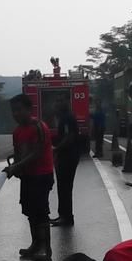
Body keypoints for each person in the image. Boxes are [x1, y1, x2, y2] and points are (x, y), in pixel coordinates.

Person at [4, 94, 54, 261]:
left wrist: (17, 166)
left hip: (41, 176)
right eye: (13, 111)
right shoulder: (17, 132)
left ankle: (45, 248)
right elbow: (19, 154)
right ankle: (35, 245)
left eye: (19, 110)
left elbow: (37, 153)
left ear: (29, 109)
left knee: (40, 212)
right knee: (30, 212)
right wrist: (15, 167)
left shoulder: (39, 127)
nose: (16, 114)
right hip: (28, 177)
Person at [51, 94, 80, 227]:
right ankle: (63, 215)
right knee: (62, 187)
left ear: (67, 102)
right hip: (64, 156)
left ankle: (67, 217)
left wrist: (56, 150)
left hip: (68, 156)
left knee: (65, 187)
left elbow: (70, 137)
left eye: (61, 100)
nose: (58, 103)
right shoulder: (63, 116)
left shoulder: (68, 117)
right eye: (56, 100)